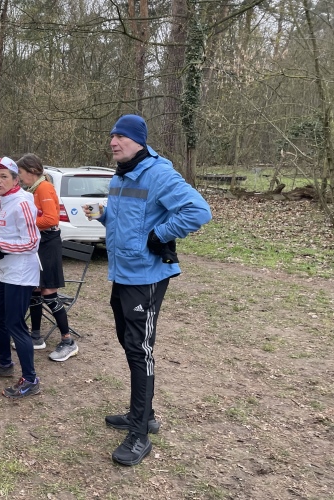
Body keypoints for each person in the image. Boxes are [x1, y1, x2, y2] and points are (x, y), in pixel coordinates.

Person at [89, 114, 212, 466]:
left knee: (139, 349)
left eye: (121, 137)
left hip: (146, 276)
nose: (114, 142)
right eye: (112, 136)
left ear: (139, 141)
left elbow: (199, 211)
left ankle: (140, 434)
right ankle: (144, 413)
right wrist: (102, 215)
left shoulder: (158, 174)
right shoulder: (121, 174)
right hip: (122, 273)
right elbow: (128, 217)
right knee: (129, 342)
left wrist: (160, 235)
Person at [0, 156, 42, 399]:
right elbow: (2, 236)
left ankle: (31, 379)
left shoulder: (22, 202)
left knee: (15, 323)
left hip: (21, 273)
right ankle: (5, 362)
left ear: (16, 179)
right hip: (4, 270)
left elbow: (32, 243)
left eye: (4, 176)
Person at [16, 153, 78, 362]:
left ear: (32, 171)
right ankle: (36, 336)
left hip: (49, 244)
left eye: (21, 173)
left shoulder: (43, 188)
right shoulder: (34, 189)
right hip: (39, 243)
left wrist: (27, 223)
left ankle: (68, 340)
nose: (19, 177)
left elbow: (51, 219)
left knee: (49, 293)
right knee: (35, 289)